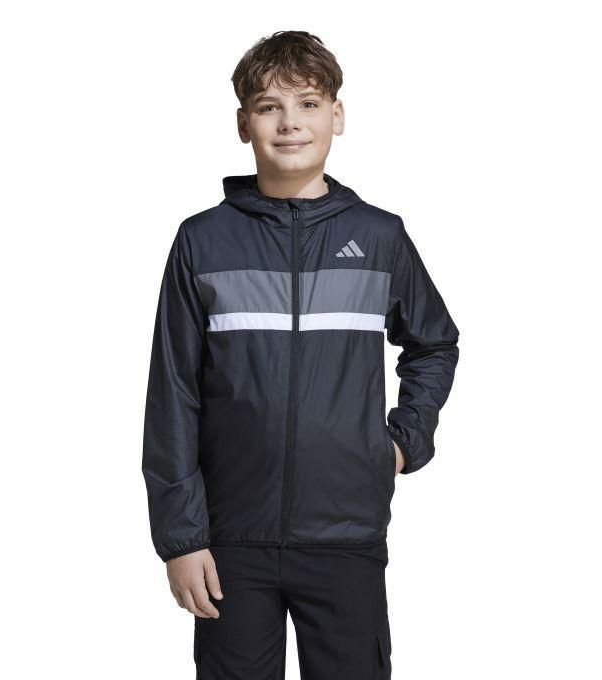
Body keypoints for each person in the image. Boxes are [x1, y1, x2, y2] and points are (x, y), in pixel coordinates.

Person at [142, 30, 460, 679]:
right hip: (230, 541)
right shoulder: (202, 242)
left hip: (346, 534)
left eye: (309, 104)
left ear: (337, 116)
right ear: (243, 123)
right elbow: (172, 394)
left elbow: (434, 343)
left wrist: (404, 442)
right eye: (269, 106)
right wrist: (180, 538)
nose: (290, 122)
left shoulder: (379, 237)